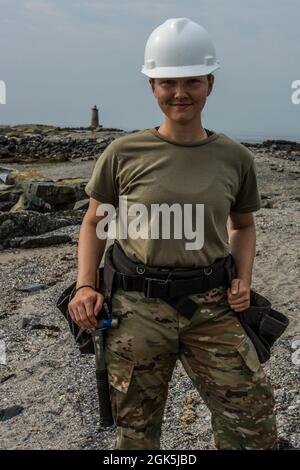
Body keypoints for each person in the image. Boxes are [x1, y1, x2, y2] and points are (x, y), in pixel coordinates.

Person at [68, 18, 277, 450]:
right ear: (153, 88)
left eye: (192, 82)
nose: (179, 93)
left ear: (209, 85)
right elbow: (94, 222)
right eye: (167, 82)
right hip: (136, 307)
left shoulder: (235, 158)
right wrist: (85, 285)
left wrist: (243, 279)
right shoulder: (123, 153)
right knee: (136, 435)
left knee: (253, 427)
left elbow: (243, 225)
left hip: (213, 307)